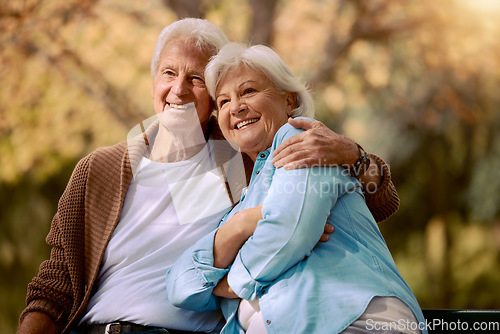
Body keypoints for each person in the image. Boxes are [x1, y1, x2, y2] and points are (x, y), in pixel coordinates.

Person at [17, 19, 399, 334]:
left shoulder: (248, 154)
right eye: (169, 73)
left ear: (213, 96)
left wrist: (355, 155)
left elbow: (380, 200)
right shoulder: (98, 170)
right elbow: (54, 287)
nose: (178, 90)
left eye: (196, 79)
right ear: (154, 81)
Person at [166, 42, 426, 334]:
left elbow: (290, 230)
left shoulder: (305, 141)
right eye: (224, 102)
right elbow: (179, 286)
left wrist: (228, 283)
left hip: (354, 321)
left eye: (248, 91)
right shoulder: (243, 200)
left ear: (289, 101)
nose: (236, 107)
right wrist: (242, 224)